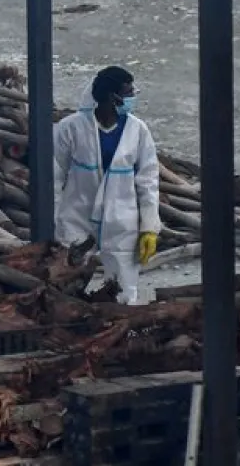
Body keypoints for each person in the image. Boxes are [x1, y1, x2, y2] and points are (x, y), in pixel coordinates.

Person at [53, 66, 161, 305]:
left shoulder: (137, 130)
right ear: (114, 97)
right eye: (129, 92)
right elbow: (55, 175)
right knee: (67, 285)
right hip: (77, 216)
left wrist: (149, 227)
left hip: (122, 221)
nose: (133, 97)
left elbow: (148, 180)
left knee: (122, 292)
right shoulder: (71, 128)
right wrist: (55, 217)